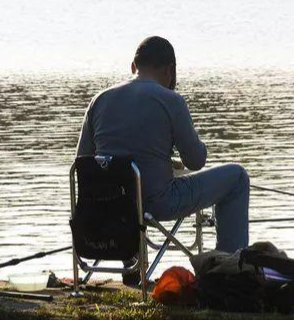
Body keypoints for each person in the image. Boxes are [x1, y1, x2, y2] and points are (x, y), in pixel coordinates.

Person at [76, 36, 250, 256]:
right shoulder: (171, 100)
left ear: (133, 67)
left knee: (128, 183)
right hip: (158, 202)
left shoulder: (99, 100)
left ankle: (130, 263)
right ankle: (230, 264)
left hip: (110, 205)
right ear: (170, 70)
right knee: (237, 177)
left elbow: (82, 162)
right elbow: (196, 161)